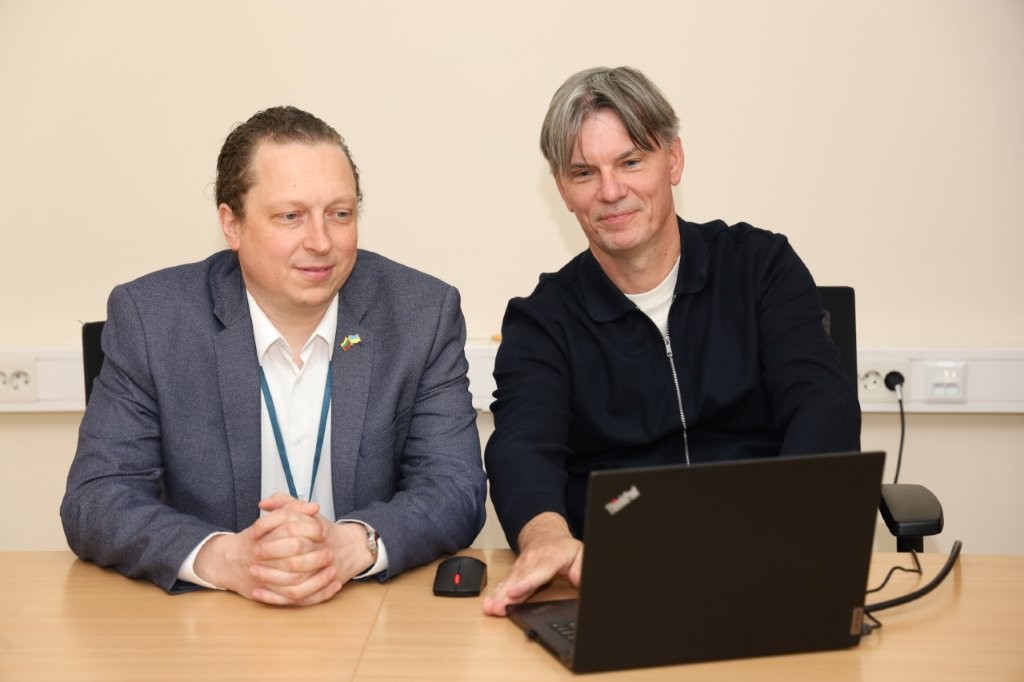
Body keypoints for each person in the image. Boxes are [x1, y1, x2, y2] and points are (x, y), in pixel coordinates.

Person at [61, 106, 486, 606]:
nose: (321, 242)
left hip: (363, 609)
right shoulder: (152, 320)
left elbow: (454, 487)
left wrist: (353, 546)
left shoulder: (421, 315)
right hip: (210, 618)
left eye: (340, 214)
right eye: (291, 216)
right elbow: (97, 497)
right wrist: (223, 557)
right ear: (232, 224)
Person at [482, 67, 860, 616]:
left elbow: (822, 403)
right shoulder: (542, 320)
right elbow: (522, 447)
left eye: (631, 162)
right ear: (563, 190)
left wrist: (783, 531)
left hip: (772, 564)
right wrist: (545, 538)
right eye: (584, 172)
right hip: (614, 584)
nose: (611, 191)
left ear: (674, 160)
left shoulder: (760, 267)